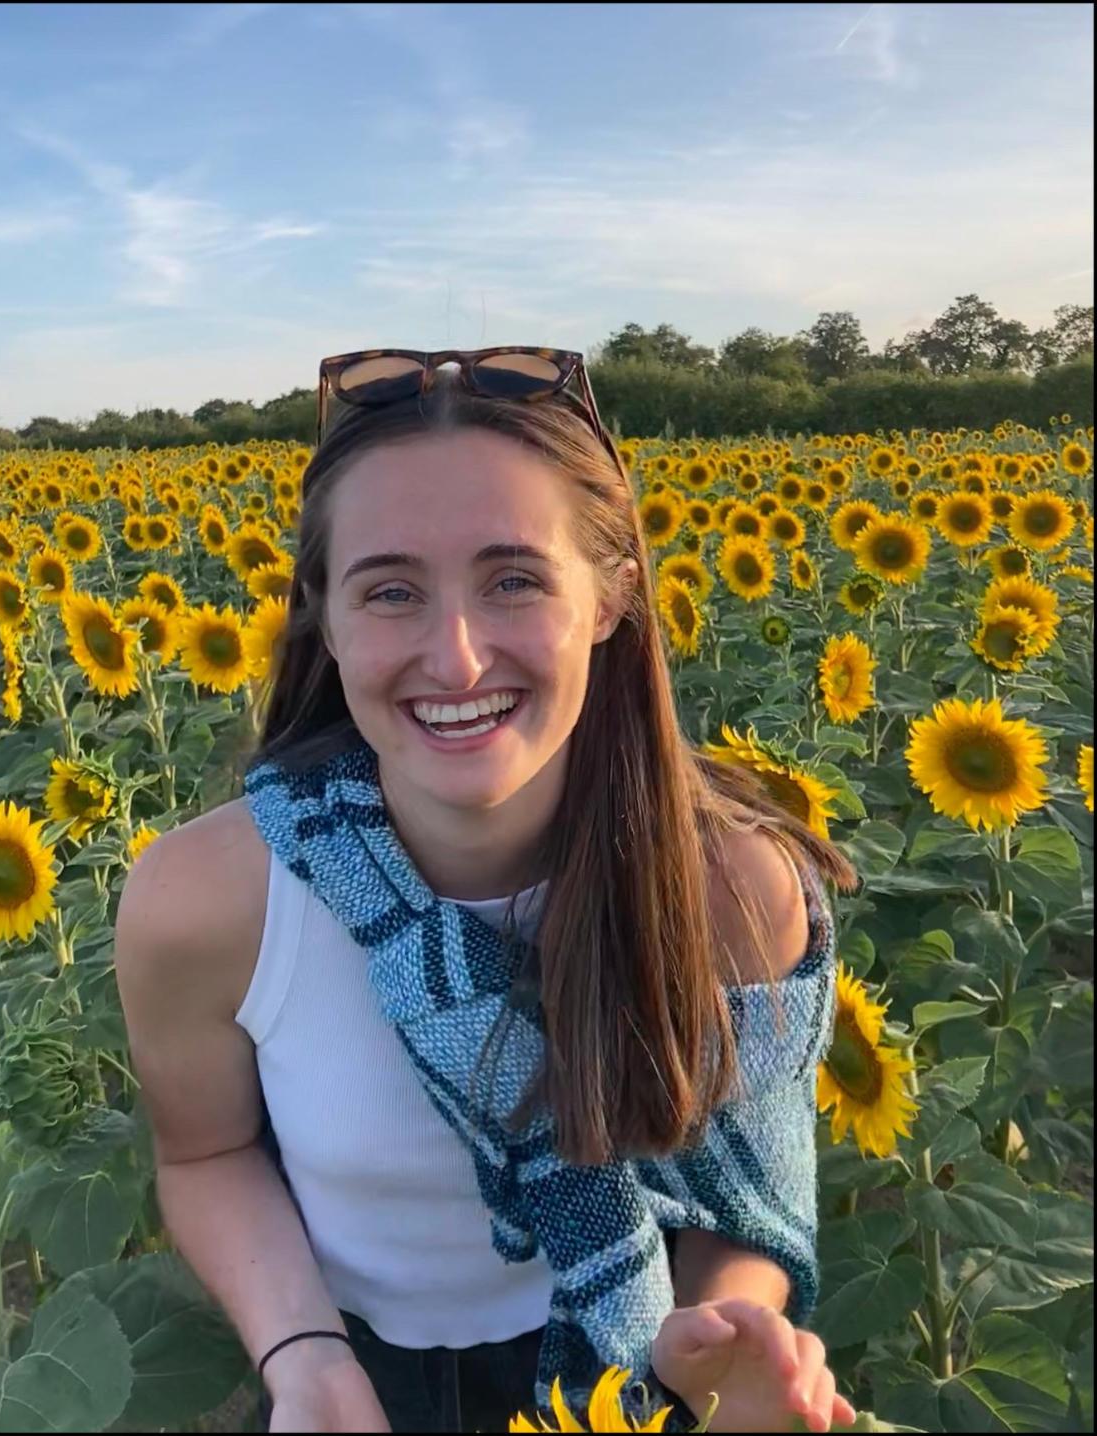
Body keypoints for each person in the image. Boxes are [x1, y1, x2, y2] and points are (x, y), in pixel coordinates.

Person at [114, 348, 861, 1434]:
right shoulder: (209, 899)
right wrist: (307, 1359)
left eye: (514, 577)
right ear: (323, 616)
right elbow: (205, 1150)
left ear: (611, 596)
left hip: (624, 1359)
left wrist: (722, 1340)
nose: (456, 657)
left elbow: (745, 1198)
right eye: (392, 590)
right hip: (345, 1362)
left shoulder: (732, 888)